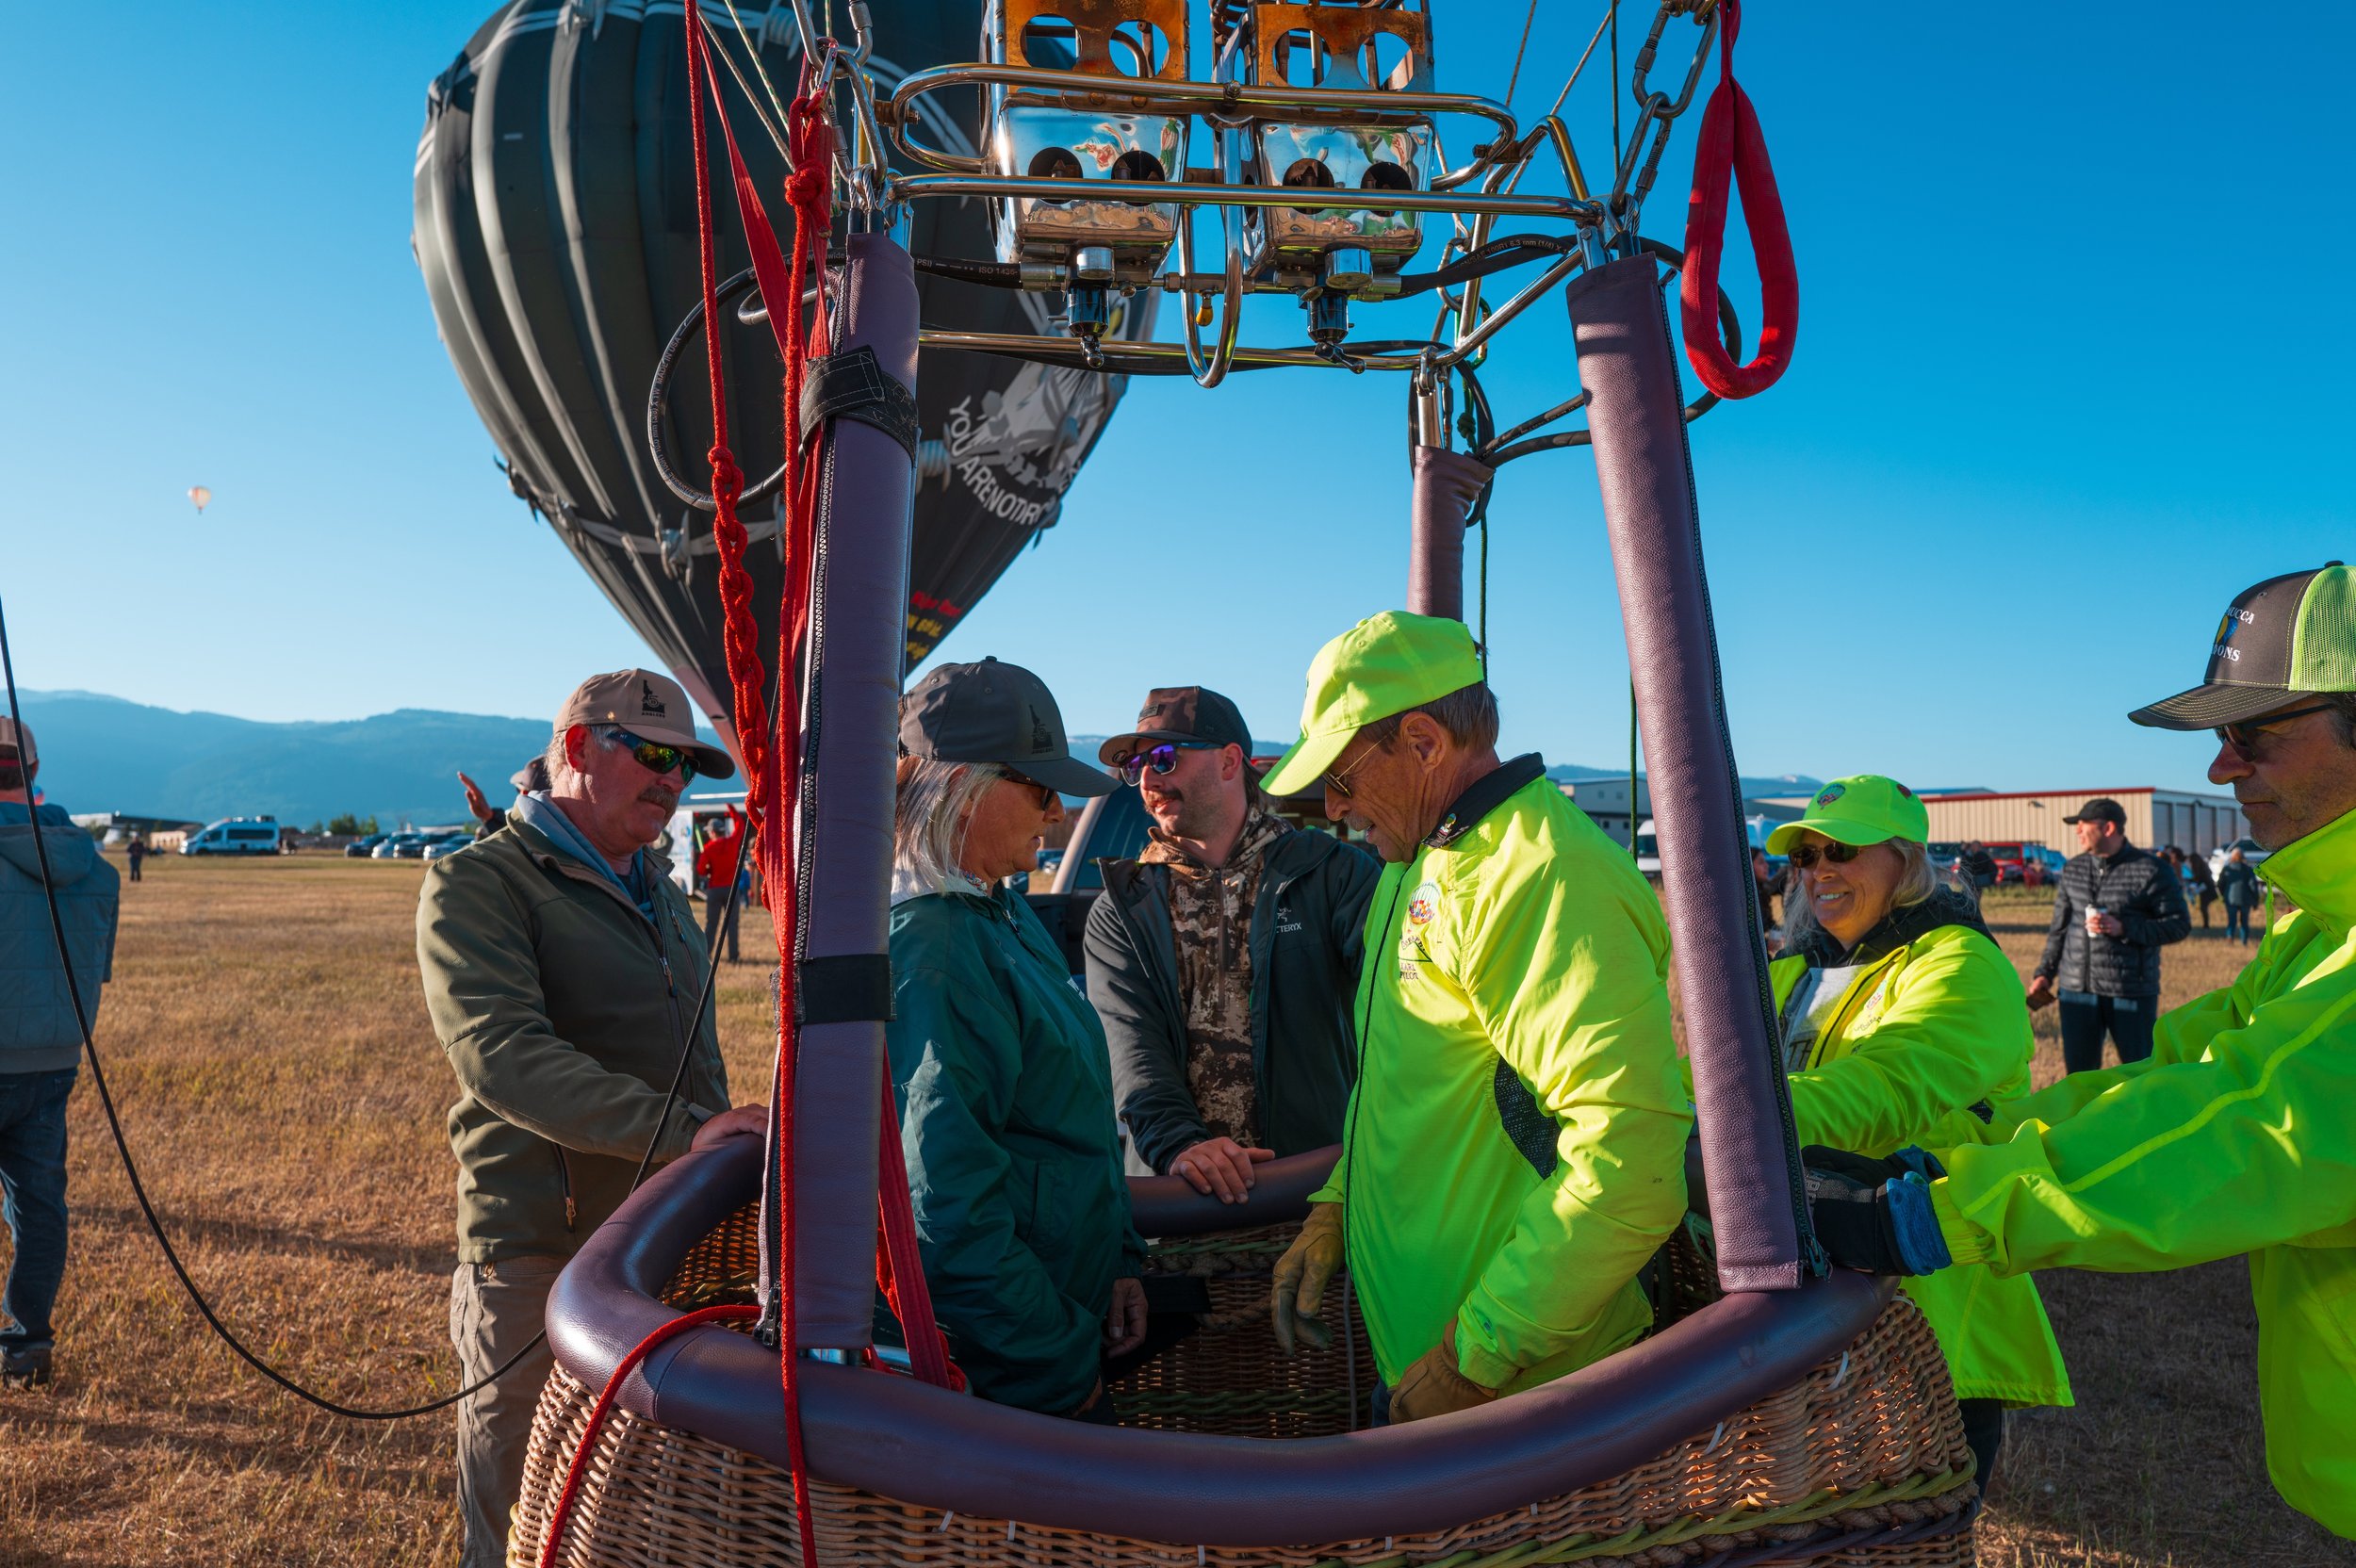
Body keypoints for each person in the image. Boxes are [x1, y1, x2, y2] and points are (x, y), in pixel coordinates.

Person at [1801, 563, 2356, 1539]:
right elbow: (2178, 1075)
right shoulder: (2318, 927)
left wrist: (1932, 1211)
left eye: (2254, 734)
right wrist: (1947, 1157)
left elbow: (2248, 1124)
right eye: (1803, 854)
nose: (2223, 768)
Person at [1261, 612, 1690, 1424]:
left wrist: (1477, 1357)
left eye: (1342, 780)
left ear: (1423, 744)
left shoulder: (1541, 876)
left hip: (1526, 1395)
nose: (1332, 806)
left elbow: (1632, 1158)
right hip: (1448, 1358)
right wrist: (1336, 1206)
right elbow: (1405, 1082)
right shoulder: (1426, 857)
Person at [417, 670, 762, 1568]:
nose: (671, 780)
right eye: (649, 754)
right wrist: (686, 1131)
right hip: (544, 1248)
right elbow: (502, 1056)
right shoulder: (479, 884)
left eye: (684, 764)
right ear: (576, 749)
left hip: (669, 1238)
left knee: (641, 1508)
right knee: (524, 1502)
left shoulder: (656, 884)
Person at [1759, 775, 2069, 1490]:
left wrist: (1730, 1125)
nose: (1819, 870)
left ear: (1906, 859)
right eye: (1805, 856)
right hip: (1807, 1303)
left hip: (1925, 1311)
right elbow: (1709, 1072)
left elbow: (1888, 1092)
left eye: (1842, 848)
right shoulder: (1796, 972)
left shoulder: (1961, 963)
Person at [885, 657, 1146, 1419]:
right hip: (1008, 1378)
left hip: (1044, 1325)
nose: (1057, 812)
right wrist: (1061, 1365)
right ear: (958, 789)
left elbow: (1066, 1123)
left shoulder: (993, 908)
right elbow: (945, 1217)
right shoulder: (934, 948)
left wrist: (1118, 1261)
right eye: (1037, 788)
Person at [1086, 686, 1379, 1199]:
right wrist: (1180, 1147)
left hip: (1314, 1191)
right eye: (1136, 767)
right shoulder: (1123, 905)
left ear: (1228, 762)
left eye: (1164, 758)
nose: (1149, 778)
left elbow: (1399, 1009)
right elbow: (1129, 1047)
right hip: (1178, 1202)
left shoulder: (1331, 873)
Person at [0, 717, 118, 1390]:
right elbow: (96, 967)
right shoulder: (92, 865)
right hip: (54, 1062)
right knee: (40, 1208)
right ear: (35, 773)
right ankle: (28, 1344)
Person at [2025, 796, 2189, 1073]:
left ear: (2109, 828)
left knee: (2140, 1072)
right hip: (2076, 990)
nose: (2077, 831)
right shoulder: (2073, 869)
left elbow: (2178, 925)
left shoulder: (2151, 870)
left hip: (2130, 990)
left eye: (2082, 825)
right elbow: (2060, 928)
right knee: (2079, 1077)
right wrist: (2045, 973)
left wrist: (2124, 928)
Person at [693, 807, 750, 964]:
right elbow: (740, 824)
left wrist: (710, 869)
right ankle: (734, 957)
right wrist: (730, 807)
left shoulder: (709, 849)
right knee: (732, 924)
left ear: (712, 832)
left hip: (714, 890)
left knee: (711, 924)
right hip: (731, 890)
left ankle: (707, 954)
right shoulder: (731, 842)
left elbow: (700, 870)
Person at [462, 758, 552, 842]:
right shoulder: (560, 832)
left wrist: (489, 819)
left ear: (524, 794)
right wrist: (491, 817)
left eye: (518, 790)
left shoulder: (527, 838)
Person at [2217, 845, 2262, 943]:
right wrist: (2255, 900)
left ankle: (2230, 937)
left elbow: (2220, 884)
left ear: (2232, 857)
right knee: (2244, 922)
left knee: (2231, 920)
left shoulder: (2227, 869)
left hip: (2230, 899)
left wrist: (2224, 894)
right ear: (2242, 857)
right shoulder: (2248, 869)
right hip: (2245, 900)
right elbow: (2253, 886)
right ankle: (2244, 941)